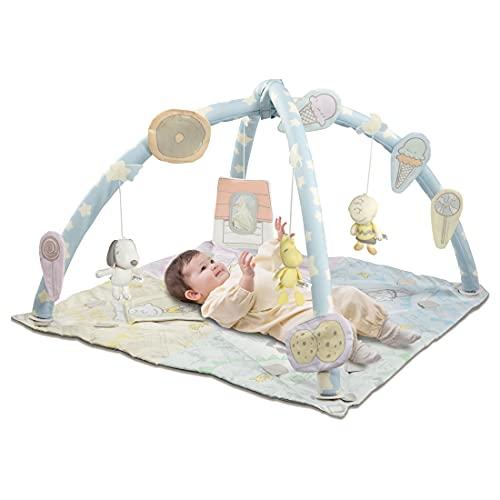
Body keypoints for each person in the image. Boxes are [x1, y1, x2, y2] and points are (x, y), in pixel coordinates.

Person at [164, 217, 419, 397]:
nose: (214, 265)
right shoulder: (212, 304)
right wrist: (247, 278)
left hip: (305, 296)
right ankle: (353, 348)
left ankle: (387, 330)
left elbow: (266, 262)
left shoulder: (236, 269)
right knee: (317, 327)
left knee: (348, 295)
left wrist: (278, 241)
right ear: (194, 293)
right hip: (286, 317)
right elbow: (233, 308)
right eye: (203, 268)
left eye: (211, 260)